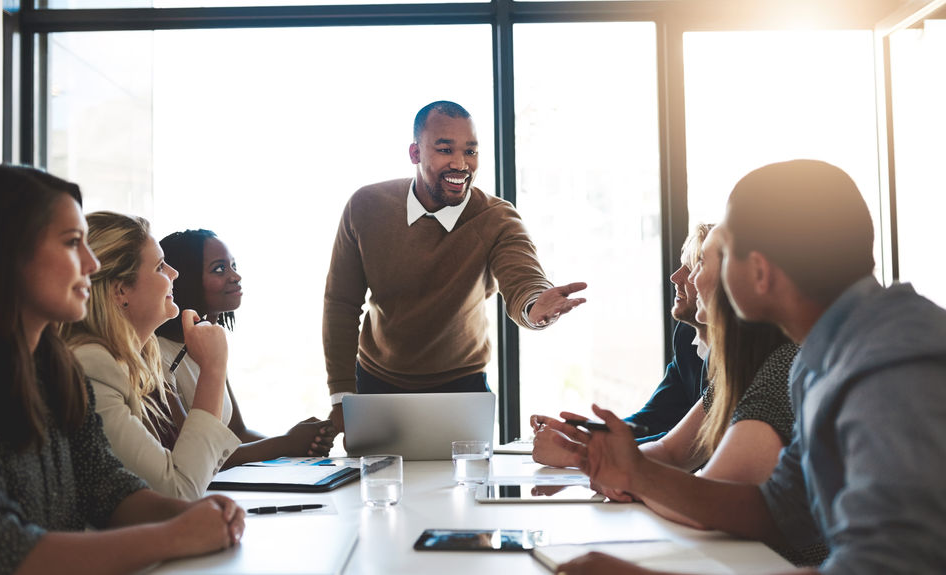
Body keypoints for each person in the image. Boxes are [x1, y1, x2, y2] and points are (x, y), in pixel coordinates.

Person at [561, 160, 946, 574]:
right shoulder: (821, 359)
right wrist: (637, 473)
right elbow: (778, 509)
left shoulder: (889, 371)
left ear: (760, 272)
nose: (695, 277)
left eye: (721, 254)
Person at [0, 165, 243, 574]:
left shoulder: (55, 370)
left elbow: (108, 488)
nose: (91, 263)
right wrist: (177, 534)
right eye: (73, 243)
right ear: (5, 254)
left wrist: (197, 514)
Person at [323, 100, 587, 432]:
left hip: (462, 388)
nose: (461, 164)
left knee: (468, 469)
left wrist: (534, 306)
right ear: (415, 153)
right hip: (376, 384)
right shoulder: (366, 206)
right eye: (445, 150)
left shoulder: (496, 218)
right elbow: (341, 304)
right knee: (376, 468)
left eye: (470, 152)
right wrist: (341, 397)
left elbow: (523, 276)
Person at [529, 224, 712, 463]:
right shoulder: (687, 335)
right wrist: (581, 434)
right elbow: (654, 419)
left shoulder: (741, 360)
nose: (675, 277)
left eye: (693, 267)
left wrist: (582, 451)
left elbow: (685, 447)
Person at [156, 228, 336, 465]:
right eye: (219, 269)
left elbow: (237, 433)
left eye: (233, 266)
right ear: (185, 278)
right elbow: (191, 454)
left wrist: (298, 443)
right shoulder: (158, 354)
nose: (235, 276)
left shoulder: (209, 345)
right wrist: (286, 443)